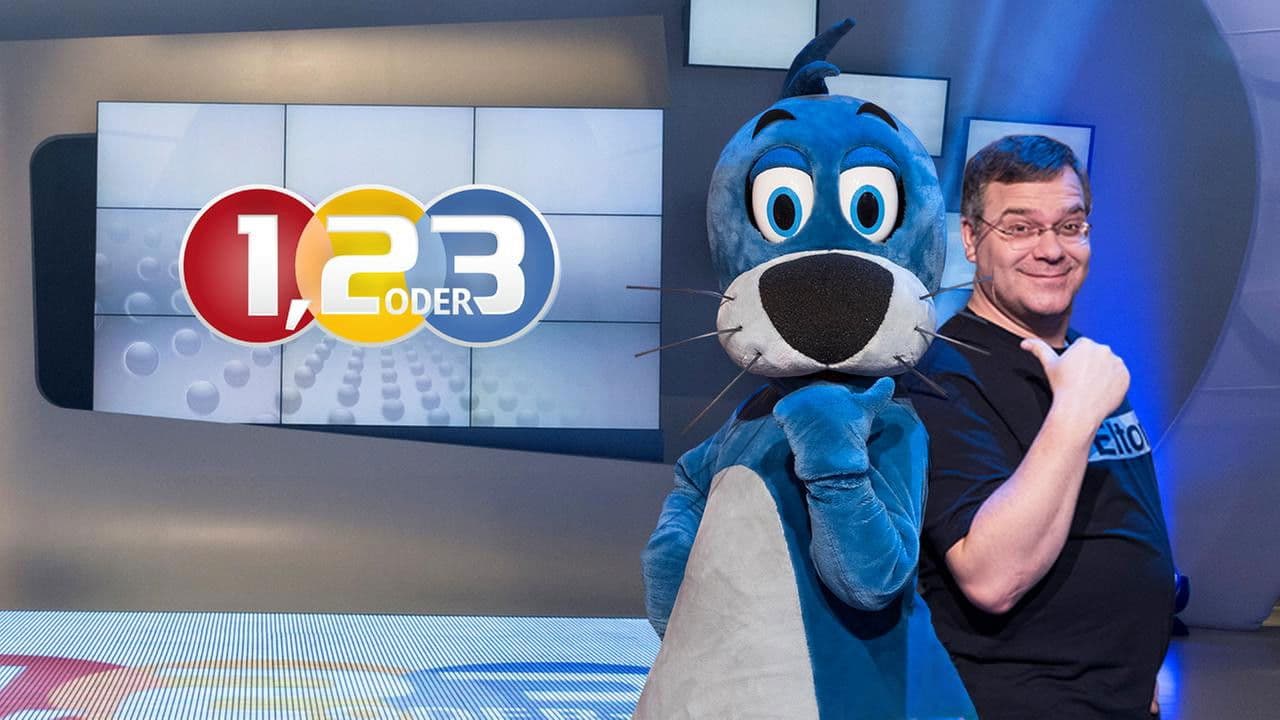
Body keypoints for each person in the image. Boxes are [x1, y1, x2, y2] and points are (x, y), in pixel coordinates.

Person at [905, 135, 1174, 719]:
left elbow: (1121, 529)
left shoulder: (1084, 364)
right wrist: (1074, 411)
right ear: (971, 238)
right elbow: (991, 578)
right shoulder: (940, 375)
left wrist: (1139, 657)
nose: (1051, 249)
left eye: (1070, 226)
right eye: (1020, 228)